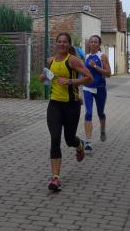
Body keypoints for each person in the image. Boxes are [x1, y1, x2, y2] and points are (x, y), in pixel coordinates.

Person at [39, 32, 93, 192]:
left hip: (71, 105)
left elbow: (89, 77)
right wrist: (43, 77)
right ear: (56, 43)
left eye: (65, 42)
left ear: (69, 45)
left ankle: (79, 145)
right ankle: (55, 178)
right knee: (55, 138)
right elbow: (44, 78)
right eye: (59, 41)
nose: (62, 44)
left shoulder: (73, 60)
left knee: (69, 139)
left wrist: (70, 81)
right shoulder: (50, 61)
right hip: (54, 105)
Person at [82, 35, 110, 151]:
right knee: (88, 113)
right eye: (91, 42)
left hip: (100, 89)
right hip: (87, 88)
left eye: (96, 42)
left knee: (100, 113)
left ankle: (102, 130)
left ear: (99, 44)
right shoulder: (86, 56)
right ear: (89, 44)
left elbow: (108, 73)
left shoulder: (102, 56)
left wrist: (95, 66)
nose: (93, 44)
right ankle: (88, 142)